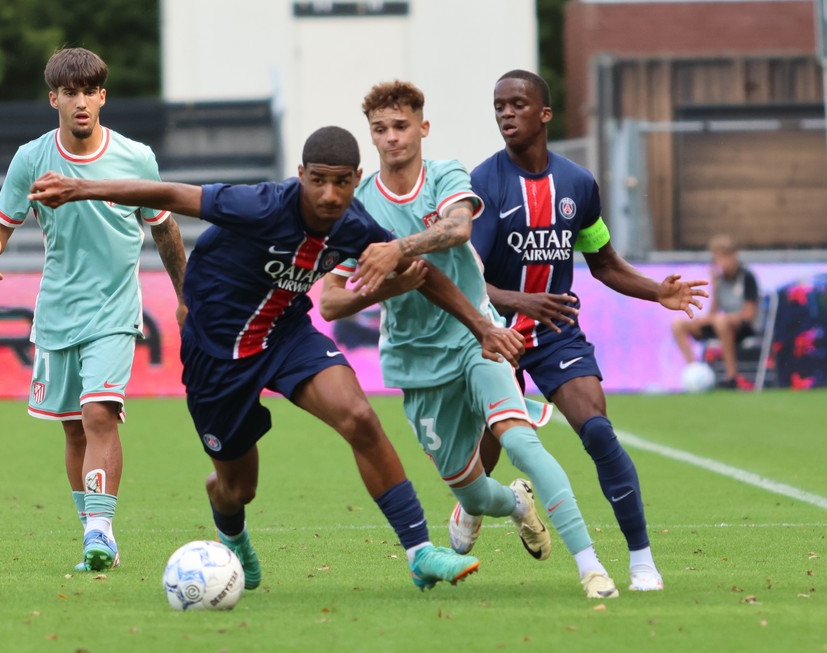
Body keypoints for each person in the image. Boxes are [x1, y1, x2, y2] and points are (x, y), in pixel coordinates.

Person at [27, 125, 525, 592]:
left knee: (359, 417)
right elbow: (175, 196)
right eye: (319, 182)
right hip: (216, 356)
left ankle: (419, 552)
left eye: (342, 183)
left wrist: (482, 326)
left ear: (356, 180)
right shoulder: (260, 204)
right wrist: (81, 188)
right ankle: (234, 539)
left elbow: (423, 271)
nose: (330, 195)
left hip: (287, 337)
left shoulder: (354, 226)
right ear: (301, 176)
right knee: (237, 487)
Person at [318, 80, 620, 599]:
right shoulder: (358, 208)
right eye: (380, 130)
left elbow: (458, 229)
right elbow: (329, 301)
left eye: (401, 126)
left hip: (476, 337)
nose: (392, 138)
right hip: (416, 364)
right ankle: (517, 504)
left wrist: (400, 249)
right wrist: (384, 283)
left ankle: (592, 568)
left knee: (521, 440)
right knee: (475, 493)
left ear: (422, 128)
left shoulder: (446, 175)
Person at [467, 69, 709, 591]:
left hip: (556, 333)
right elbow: (472, 277)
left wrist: (655, 291)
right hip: (496, 333)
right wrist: (517, 299)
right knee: (483, 455)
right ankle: (473, 508)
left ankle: (642, 561)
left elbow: (603, 262)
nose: (506, 114)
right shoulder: (483, 184)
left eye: (517, 104)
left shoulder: (578, 185)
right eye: (499, 106)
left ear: (545, 114)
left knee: (598, 431)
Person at [0, 47, 188, 572]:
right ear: (55, 99)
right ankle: (92, 529)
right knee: (72, 426)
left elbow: (165, 228)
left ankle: (100, 530)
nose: (82, 102)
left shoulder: (136, 158)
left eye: (91, 91)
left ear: (103, 97)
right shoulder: (32, 158)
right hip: (57, 313)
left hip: (115, 311)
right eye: (71, 92)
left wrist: (187, 296)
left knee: (99, 413)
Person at [671, 234, 759, 390]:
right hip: (721, 324)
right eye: (716, 259)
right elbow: (713, 311)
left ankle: (731, 377)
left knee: (721, 322)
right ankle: (695, 371)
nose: (720, 263)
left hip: (743, 328)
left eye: (723, 258)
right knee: (678, 324)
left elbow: (749, 314)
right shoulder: (720, 280)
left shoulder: (747, 277)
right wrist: (705, 319)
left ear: (734, 256)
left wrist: (721, 318)